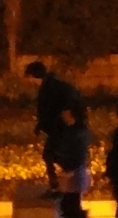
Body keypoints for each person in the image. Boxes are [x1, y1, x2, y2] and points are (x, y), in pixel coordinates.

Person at [24, 60, 84, 190]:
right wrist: (40, 126)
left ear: (32, 76)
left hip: (60, 127)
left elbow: (54, 106)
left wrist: (67, 116)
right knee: (49, 155)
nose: (28, 81)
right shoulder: (49, 85)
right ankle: (58, 182)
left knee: (50, 155)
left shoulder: (50, 87)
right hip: (56, 127)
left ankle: (65, 176)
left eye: (28, 77)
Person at [49, 103, 92, 218]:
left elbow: (76, 154)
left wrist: (66, 167)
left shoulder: (76, 133)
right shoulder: (79, 131)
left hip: (74, 173)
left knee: (70, 206)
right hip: (75, 172)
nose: (63, 116)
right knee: (71, 205)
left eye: (66, 113)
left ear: (73, 115)